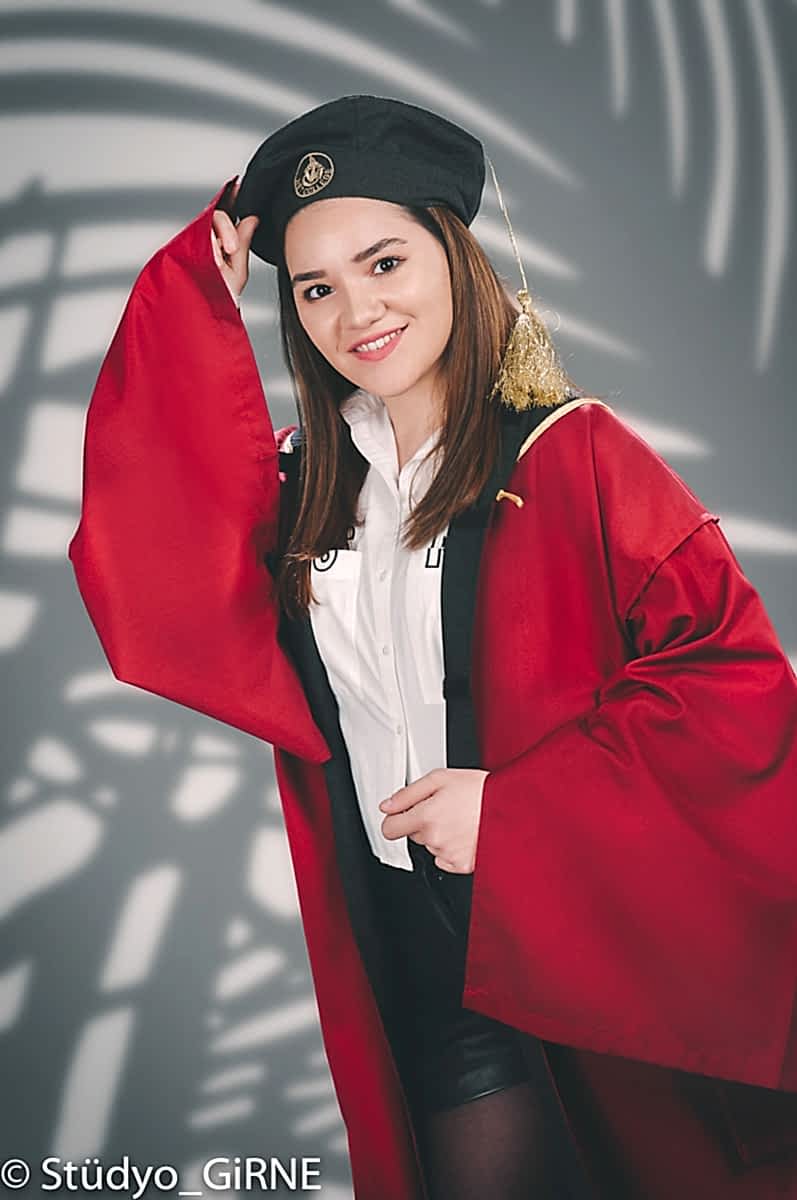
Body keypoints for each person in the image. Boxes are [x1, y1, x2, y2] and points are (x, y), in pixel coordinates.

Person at [69, 95, 797, 1199]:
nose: (355, 309)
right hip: (419, 946)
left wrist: (516, 813)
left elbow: (735, 688)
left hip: (589, 933)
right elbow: (147, 589)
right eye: (314, 287)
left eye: (384, 262)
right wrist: (188, 308)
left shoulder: (572, 458)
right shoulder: (304, 493)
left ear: (451, 254)